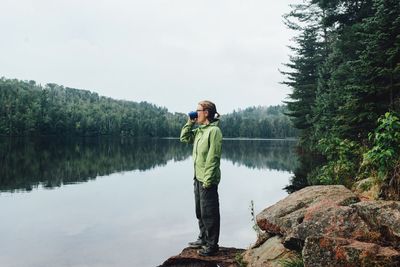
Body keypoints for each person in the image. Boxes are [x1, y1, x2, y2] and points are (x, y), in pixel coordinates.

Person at [180, 100, 223, 256]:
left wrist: (208, 180)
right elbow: (184, 138)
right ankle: (203, 238)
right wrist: (189, 123)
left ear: (206, 113)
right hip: (197, 177)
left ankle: (212, 245)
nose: (195, 112)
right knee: (200, 211)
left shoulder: (214, 131)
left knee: (209, 212)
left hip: (207, 179)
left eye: (198, 110)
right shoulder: (200, 131)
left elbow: (214, 158)